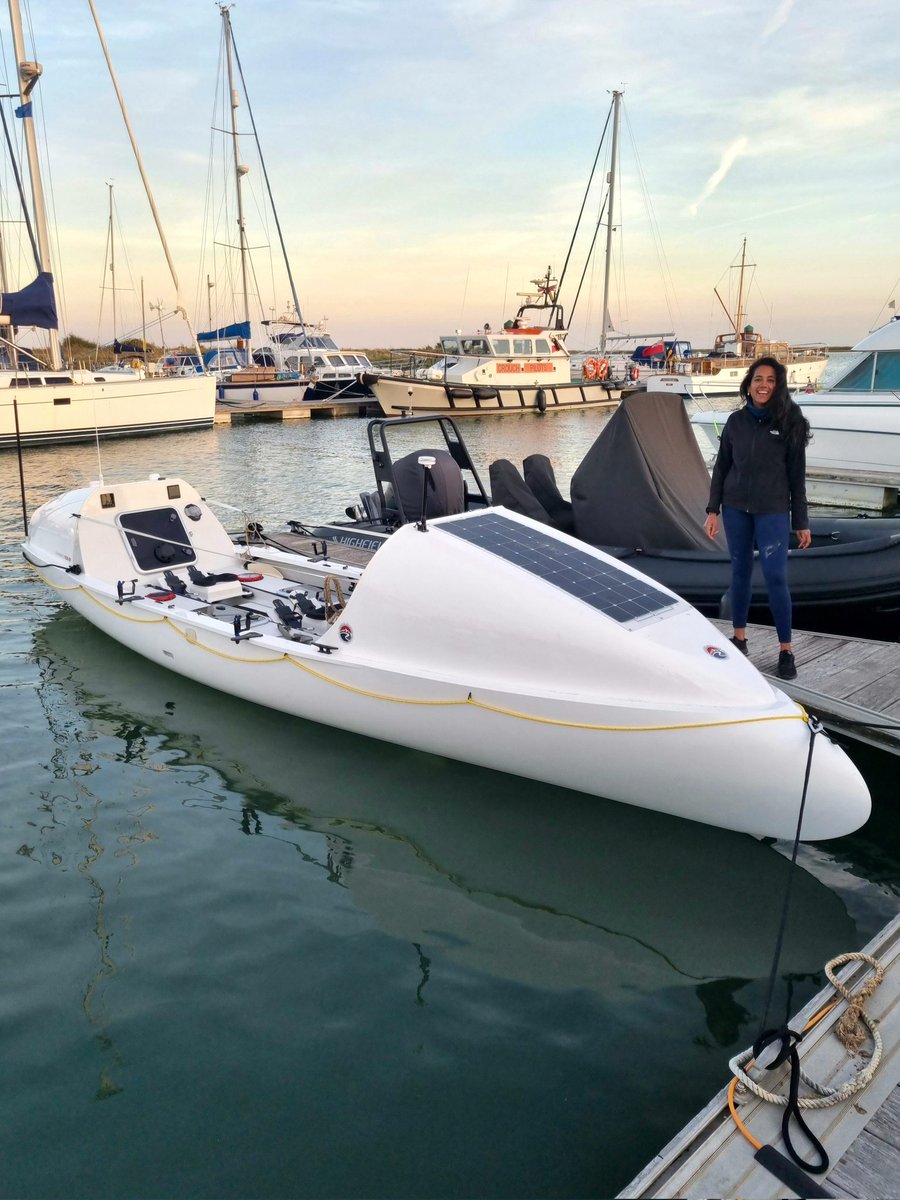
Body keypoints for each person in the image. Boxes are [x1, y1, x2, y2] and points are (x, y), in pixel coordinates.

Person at [703, 356, 811, 680]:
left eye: (770, 380)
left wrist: (801, 521)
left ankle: (786, 650)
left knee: (776, 577)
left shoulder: (790, 421)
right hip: (736, 508)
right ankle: (739, 638)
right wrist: (712, 510)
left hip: (773, 511)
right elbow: (721, 468)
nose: (763, 385)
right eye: (757, 379)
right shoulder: (735, 422)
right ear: (748, 384)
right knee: (740, 573)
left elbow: (797, 478)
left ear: (778, 386)